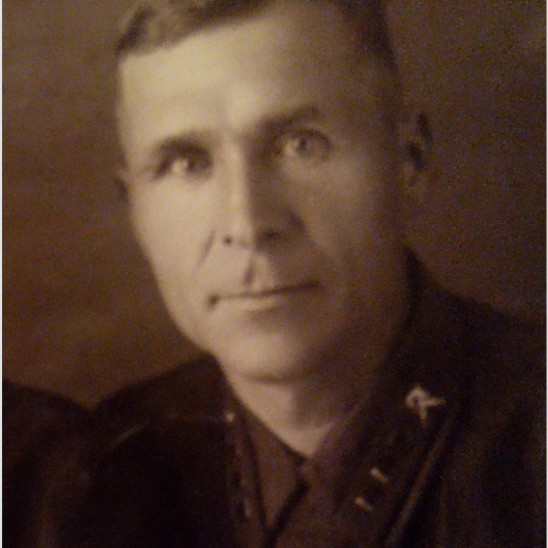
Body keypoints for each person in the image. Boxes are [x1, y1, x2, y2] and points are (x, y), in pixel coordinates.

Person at [20, 0, 544, 546]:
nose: (246, 224)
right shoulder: (97, 476)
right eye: (187, 163)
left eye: (302, 145)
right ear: (136, 212)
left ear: (409, 162)